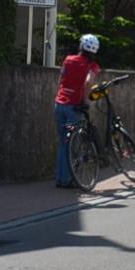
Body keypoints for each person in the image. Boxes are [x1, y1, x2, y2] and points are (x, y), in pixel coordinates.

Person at [54, 32, 101, 187]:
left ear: (81, 46)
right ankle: (68, 180)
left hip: (60, 103)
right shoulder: (92, 66)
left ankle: (60, 179)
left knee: (63, 142)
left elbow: (61, 79)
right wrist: (85, 101)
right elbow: (88, 82)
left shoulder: (68, 60)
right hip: (74, 107)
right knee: (72, 145)